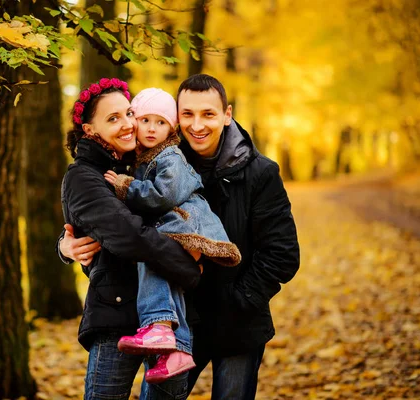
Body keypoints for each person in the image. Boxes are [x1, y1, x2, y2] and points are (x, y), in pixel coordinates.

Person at [60, 74, 300, 400]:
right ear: (177, 118)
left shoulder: (258, 172)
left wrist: (238, 301)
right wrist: (65, 244)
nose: (197, 124)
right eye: (187, 114)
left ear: (227, 114)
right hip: (181, 318)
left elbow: (283, 254)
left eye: (208, 114)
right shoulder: (156, 155)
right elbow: (105, 215)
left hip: (237, 321)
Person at [59, 77, 201, 400]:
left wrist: (63, 246)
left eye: (128, 114)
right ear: (90, 130)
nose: (127, 124)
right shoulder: (83, 176)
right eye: (112, 118)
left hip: (170, 323)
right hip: (117, 318)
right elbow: (129, 236)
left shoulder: (146, 163)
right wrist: (189, 268)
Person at [102, 88, 241, 384]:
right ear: (133, 121)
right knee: (170, 277)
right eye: (145, 120)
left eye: (161, 122)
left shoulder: (169, 156)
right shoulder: (141, 158)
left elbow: (163, 196)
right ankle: (177, 351)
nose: (152, 128)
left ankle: (158, 326)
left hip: (187, 224)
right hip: (178, 223)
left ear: (172, 128)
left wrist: (127, 187)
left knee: (149, 253)